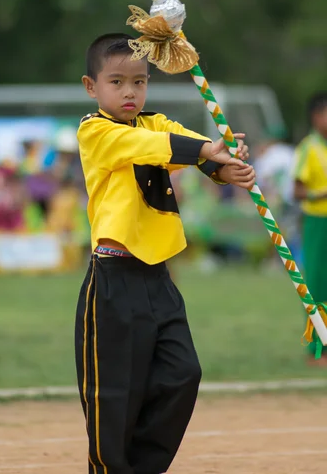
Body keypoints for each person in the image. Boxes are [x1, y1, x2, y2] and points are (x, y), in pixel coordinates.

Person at [74, 33, 256, 474]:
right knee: (114, 394)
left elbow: (186, 144)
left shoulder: (156, 124)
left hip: (159, 280)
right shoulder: (95, 131)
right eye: (116, 82)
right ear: (91, 87)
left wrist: (223, 164)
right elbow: (153, 150)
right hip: (113, 283)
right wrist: (204, 151)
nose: (129, 91)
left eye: (139, 81)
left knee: (182, 374)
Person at [293, 91, 327, 363]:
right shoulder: (309, 147)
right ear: (316, 117)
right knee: (317, 285)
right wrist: (321, 195)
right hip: (318, 223)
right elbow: (298, 192)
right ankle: (318, 348)